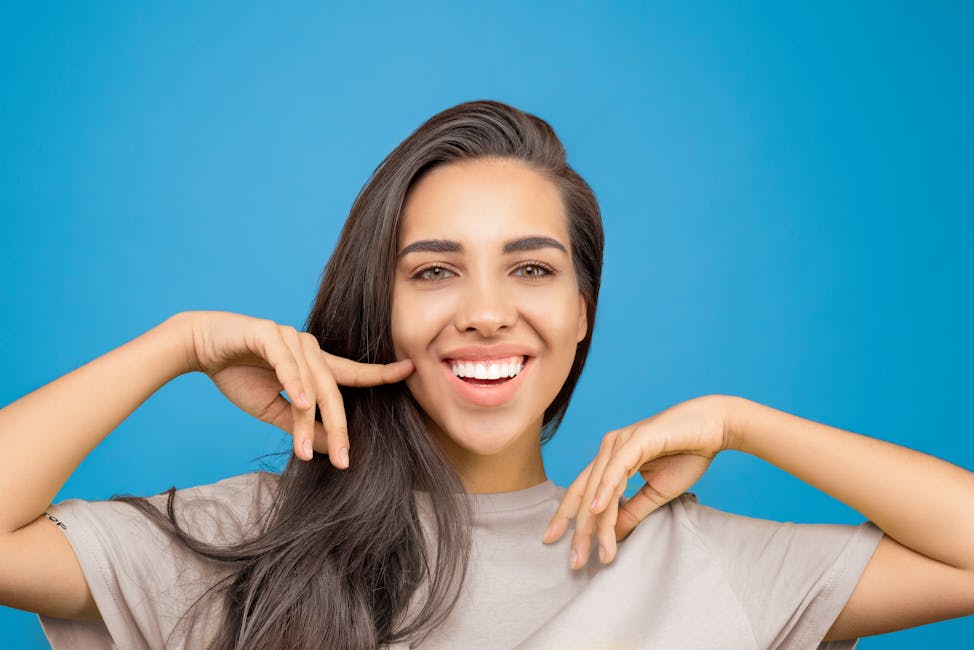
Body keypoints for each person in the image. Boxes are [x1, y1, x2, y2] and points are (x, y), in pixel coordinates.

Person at [1, 100, 972, 650]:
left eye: (531, 268)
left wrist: (742, 422)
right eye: (432, 270)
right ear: (379, 306)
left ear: (582, 308)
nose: (483, 308)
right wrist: (177, 344)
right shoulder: (248, 542)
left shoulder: (704, 560)